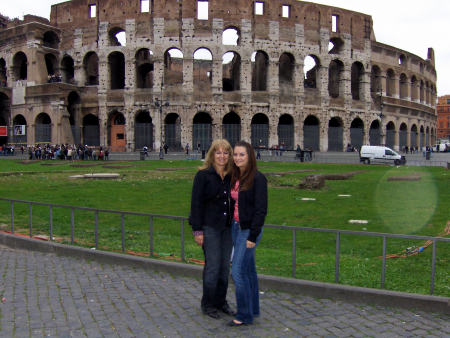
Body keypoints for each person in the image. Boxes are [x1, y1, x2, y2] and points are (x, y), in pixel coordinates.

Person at [189, 139, 235, 319]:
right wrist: (197, 231)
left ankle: (220, 301)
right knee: (213, 267)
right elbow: (196, 204)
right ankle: (207, 303)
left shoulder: (232, 175)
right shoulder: (203, 175)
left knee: (225, 268)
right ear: (212, 154)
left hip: (227, 227)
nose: (222, 156)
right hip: (210, 227)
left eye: (225, 153)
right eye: (218, 152)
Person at [228, 141, 267, 327]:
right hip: (237, 227)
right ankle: (253, 309)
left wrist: (253, 236)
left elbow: (261, 210)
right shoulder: (237, 176)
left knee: (237, 272)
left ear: (249, 156)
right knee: (249, 271)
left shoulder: (257, 178)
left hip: (248, 230)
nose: (237, 158)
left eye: (241, 154)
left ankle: (244, 315)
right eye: (235, 154)